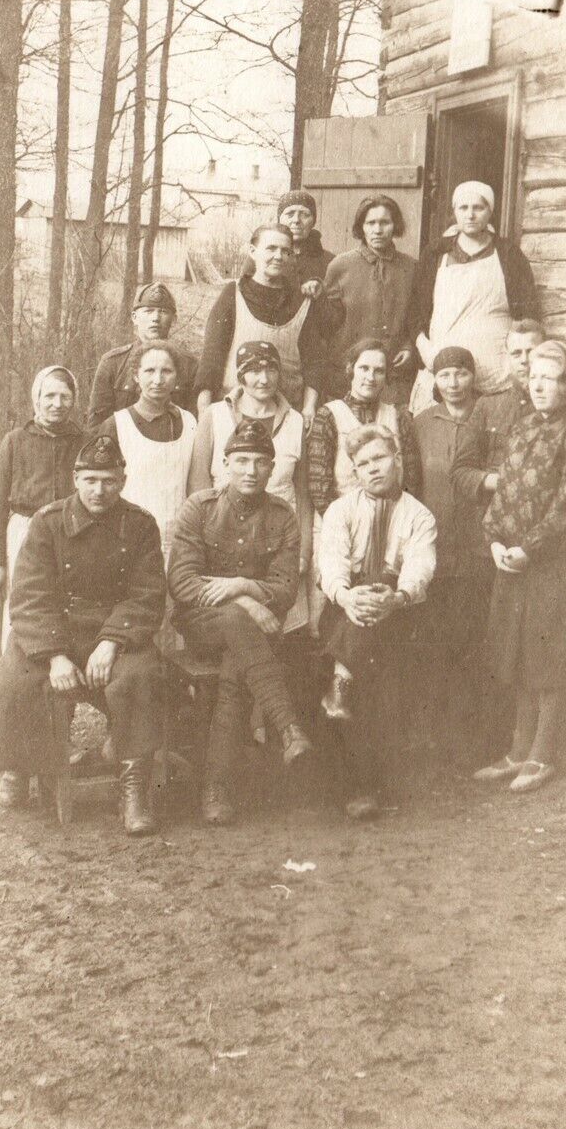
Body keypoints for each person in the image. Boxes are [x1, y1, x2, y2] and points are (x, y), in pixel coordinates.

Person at [0, 435, 168, 837]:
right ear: (76, 479)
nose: (99, 490)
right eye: (91, 479)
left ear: (123, 480)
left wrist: (112, 642)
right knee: (19, 675)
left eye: (109, 480)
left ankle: (133, 790)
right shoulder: (47, 522)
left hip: (114, 633)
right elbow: (29, 595)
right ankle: (19, 765)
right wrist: (55, 655)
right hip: (56, 630)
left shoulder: (141, 525)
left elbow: (147, 594)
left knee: (139, 678)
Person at [469, 341, 566, 795]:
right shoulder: (523, 426)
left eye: (552, 377)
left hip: (557, 565)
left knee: (550, 657)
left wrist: (530, 547)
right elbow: (504, 491)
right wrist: (495, 541)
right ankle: (517, 749)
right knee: (520, 653)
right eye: (535, 376)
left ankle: (544, 754)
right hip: (515, 562)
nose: (541, 385)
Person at [168, 418, 313, 827]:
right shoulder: (201, 507)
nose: (251, 470)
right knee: (235, 618)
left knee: (236, 668)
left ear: (272, 469)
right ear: (226, 464)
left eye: (260, 462)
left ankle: (217, 790)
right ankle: (288, 728)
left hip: (249, 637)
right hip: (200, 624)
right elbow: (181, 582)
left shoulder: (283, 516)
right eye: (242, 460)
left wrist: (240, 584)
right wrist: (249, 602)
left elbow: (285, 589)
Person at [318, 425, 437, 820]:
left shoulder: (418, 515)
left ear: (397, 460)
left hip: (397, 610)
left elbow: (420, 566)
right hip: (345, 606)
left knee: (375, 673)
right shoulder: (341, 510)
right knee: (366, 647)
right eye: (362, 463)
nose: (372, 469)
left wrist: (397, 597)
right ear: (354, 469)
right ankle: (362, 785)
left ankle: (341, 677)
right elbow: (331, 564)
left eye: (379, 459)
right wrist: (347, 596)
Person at [188, 340, 313, 636]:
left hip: (277, 542)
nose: (263, 378)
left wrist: (303, 553)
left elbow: (303, 495)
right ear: (240, 375)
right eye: (254, 370)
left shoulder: (295, 421)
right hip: (222, 542)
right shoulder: (214, 415)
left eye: (271, 369)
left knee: (280, 633)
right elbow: (198, 486)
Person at [408, 180, 538, 412]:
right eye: (463, 208)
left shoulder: (509, 255)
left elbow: (527, 314)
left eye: (478, 208)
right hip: (443, 369)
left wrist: (516, 361)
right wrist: (427, 352)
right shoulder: (435, 253)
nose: (470, 215)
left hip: (496, 373)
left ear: (490, 211)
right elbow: (415, 311)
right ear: (455, 211)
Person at [0, 366, 85, 649]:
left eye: (64, 396)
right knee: (20, 608)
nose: (57, 404)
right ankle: (11, 685)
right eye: (49, 395)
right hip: (23, 534)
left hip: (69, 533)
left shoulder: (82, 441)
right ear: (36, 398)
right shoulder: (15, 441)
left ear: (74, 400)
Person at [413, 347, 495, 684]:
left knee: (474, 640)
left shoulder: (488, 416)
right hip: (436, 547)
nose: (453, 382)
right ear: (435, 379)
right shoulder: (421, 423)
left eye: (461, 373)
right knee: (435, 642)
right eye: (445, 375)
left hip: (479, 547)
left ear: (473, 376)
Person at [195, 225, 330, 422]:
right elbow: (211, 357)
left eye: (286, 251)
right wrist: (204, 409)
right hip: (234, 414)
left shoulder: (302, 301)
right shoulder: (233, 294)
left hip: (286, 416)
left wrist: (309, 407)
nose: (278, 256)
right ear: (252, 251)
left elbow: (314, 362)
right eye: (271, 248)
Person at [92, 343, 196, 561]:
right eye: (149, 371)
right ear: (136, 376)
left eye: (166, 371)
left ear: (177, 377)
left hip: (179, 542)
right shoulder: (117, 424)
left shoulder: (189, 422)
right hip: (129, 541)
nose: (158, 380)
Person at [307, 337, 422, 516]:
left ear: (386, 376)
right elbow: (319, 488)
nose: (370, 377)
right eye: (364, 368)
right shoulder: (329, 415)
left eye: (379, 371)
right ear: (350, 369)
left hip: (392, 522)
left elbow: (412, 481)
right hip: (342, 524)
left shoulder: (398, 415)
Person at [322, 195, 417, 404]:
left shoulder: (410, 268)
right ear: (361, 227)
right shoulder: (341, 266)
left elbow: (417, 317)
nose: (377, 230)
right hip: (347, 376)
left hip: (393, 374)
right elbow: (327, 323)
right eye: (370, 223)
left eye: (385, 222)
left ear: (395, 225)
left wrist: (409, 347)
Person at [88, 281, 198, 425]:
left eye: (163, 312)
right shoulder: (112, 363)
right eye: (149, 311)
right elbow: (97, 424)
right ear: (134, 317)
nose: (156, 318)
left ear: (174, 319)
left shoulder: (189, 365)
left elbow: (194, 423)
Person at [276, 189, 335, 295]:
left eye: (304, 214)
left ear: (313, 221)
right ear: (279, 219)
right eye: (290, 214)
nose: (296, 220)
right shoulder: (261, 257)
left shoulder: (331, 262)